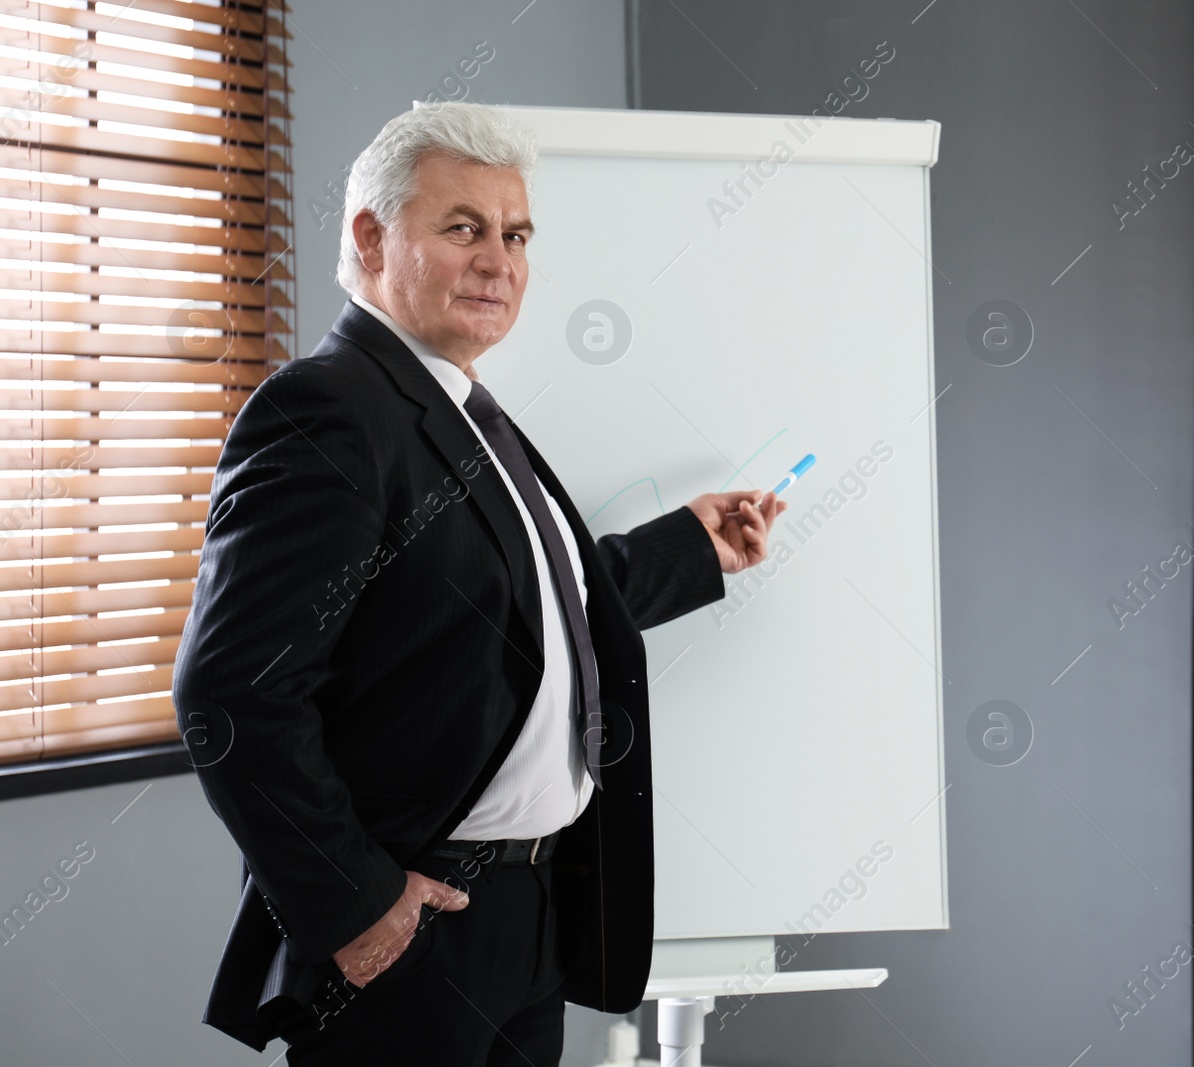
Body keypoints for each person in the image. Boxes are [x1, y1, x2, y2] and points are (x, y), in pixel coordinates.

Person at [171, 100, 786, 1065]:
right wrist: (359, 906)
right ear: (373, 239)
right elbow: (232, 692)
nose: (499, 260)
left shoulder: (461, 406)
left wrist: (691, 550)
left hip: (523, 917)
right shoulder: (328, 410)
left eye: (516, 234)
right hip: (413, 925)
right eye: (463, 228)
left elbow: (525, 610)